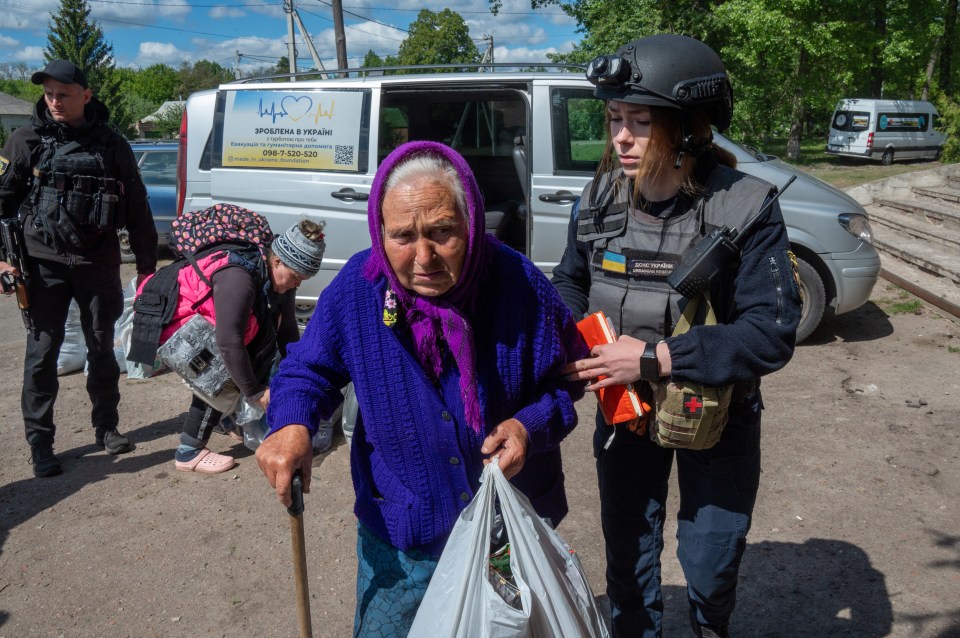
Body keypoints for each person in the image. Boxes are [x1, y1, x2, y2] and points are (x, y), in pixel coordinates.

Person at [255, 141, 586, 636]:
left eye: (443, 232)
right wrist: (290, 423)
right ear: (379, 231)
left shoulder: (520, 284)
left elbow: (568, 381)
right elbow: (308, 370)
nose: (423, 256)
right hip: (401, 535)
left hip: (505, 533)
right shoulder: (358, 290)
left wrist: (527, 427)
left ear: (471, 221)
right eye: (402, 236)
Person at [552, 35, 802, 638]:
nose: (620, 136)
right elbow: (569, 284)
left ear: (690, 128)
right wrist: (567, 343)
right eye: (615, 118)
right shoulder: (598, 199)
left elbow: (770, 333)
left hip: (717, 421)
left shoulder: (746, 207)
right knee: (628, 560)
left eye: (640, 121)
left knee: (711, 564)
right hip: (625, 418)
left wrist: (655, 357)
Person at [0, 60, 158, 478]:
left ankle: (106, 428)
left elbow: (139, 209)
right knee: (41, 354)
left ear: (85, 95)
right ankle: (41, 444)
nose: (54, 101)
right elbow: (1, 203)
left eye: (63, 94)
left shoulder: (111, 144)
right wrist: (2, 259)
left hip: (97, 263)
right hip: (42, 265)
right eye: (49, 93)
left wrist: (146, 268)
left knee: (102, 350)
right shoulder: (23, 140)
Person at [137, 215, 326, 474]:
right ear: (278, 260)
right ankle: (189, 450)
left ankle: (227, 420)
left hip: (216, 327)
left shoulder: (281, 279)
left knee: (261, 345)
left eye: (302, 280)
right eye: (296, 277)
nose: (297, 284)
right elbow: (228, 343)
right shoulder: (240, 279)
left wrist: (299, 370)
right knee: (223, 371)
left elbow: (287, 331)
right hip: (174, 319)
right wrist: (254, 392)